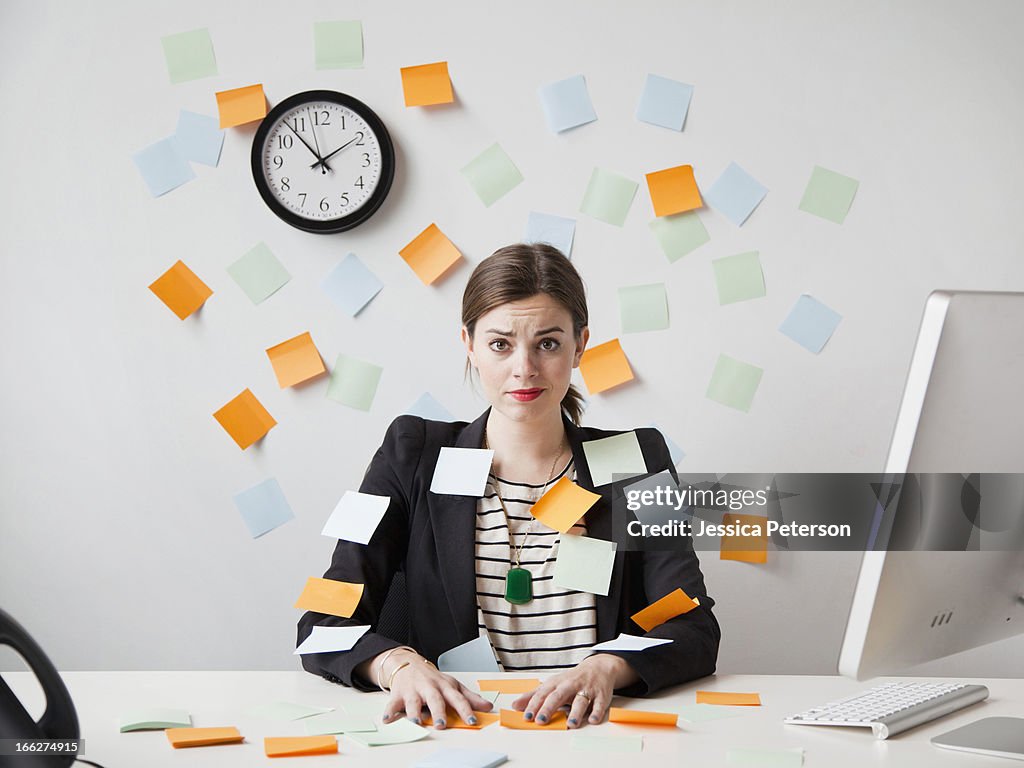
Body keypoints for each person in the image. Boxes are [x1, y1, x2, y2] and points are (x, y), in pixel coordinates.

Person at [297, 242, 719, 729]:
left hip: (593, 732)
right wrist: (400, 667)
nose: (525, 368)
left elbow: (693, 626)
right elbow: (323, 626)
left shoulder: (636, 461)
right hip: (457, 732)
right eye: (500, 344)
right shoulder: (411, 451)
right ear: (469, 345)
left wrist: (608, 666)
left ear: (580, 345)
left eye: (548, 343)